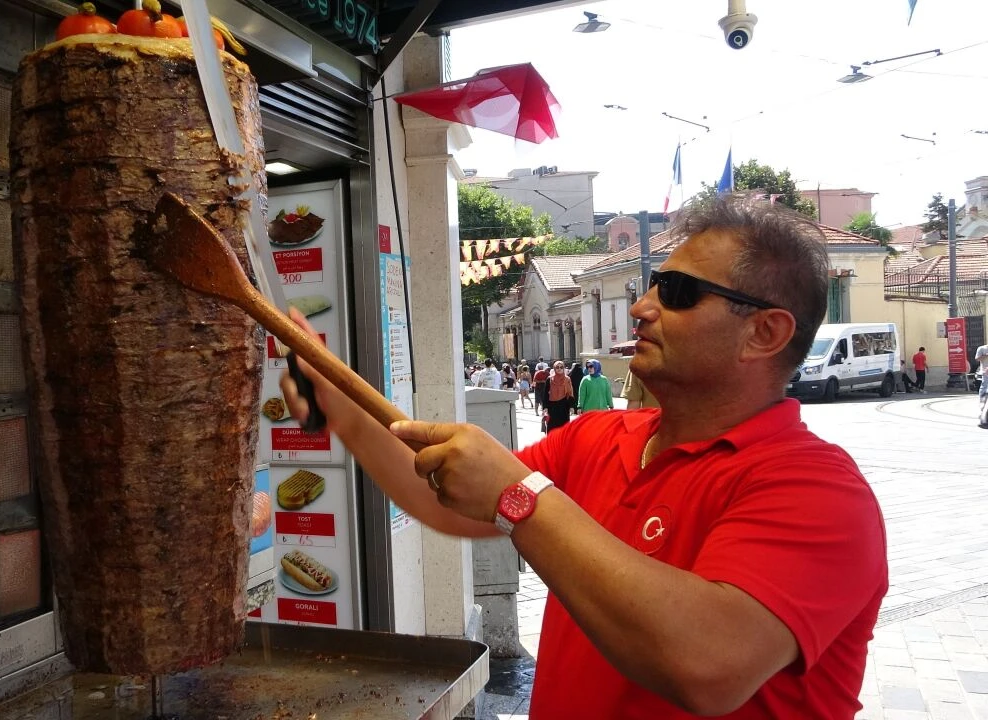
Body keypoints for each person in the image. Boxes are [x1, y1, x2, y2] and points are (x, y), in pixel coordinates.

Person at [280, 196, 886, 718]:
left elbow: (708, 665)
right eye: (649, 285)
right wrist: (343, 411)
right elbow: (449, 504)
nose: (643, 307)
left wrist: (520, 498)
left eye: (676, 293)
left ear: (766, 334)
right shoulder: (599, 438)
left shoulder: (819, 491)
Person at [543, 361, 576, 432]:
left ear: (563, 368)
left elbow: (570, 393)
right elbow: (545, 394)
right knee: (552, 427)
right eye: (557, 367)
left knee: (564, 428)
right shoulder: (549, 379)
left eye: (561, 367)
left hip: (564, 406)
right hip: (552, 407)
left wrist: (571, 406)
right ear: (554, 368)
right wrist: (545, 407)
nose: (559, 369)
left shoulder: (567, 379)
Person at [976, 343, 988, 429]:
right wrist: (986, 355)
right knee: (984, 391)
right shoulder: (982, 348)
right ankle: (983, 417)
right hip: (985, 373)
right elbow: (977, 358)